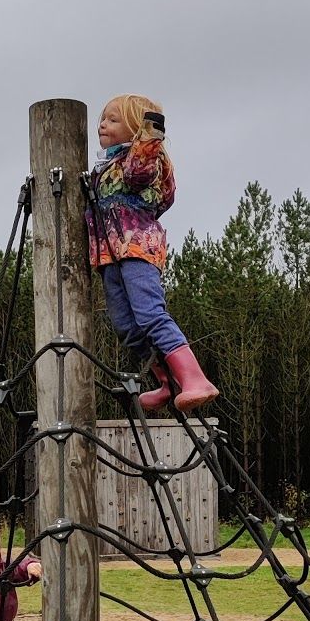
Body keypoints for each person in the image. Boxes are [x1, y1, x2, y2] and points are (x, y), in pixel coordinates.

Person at [84, 94, 218, 414]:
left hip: (136, 246)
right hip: (109, 256)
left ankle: (195, 378)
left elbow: (138, 172)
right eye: (102, 118)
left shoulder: (140, 160)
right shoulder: (103, 168)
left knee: (149, 313)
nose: (102, 124)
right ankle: (168, 383)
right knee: (127, 327)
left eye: (113, 119)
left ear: (135, 129)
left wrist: (149, 136)